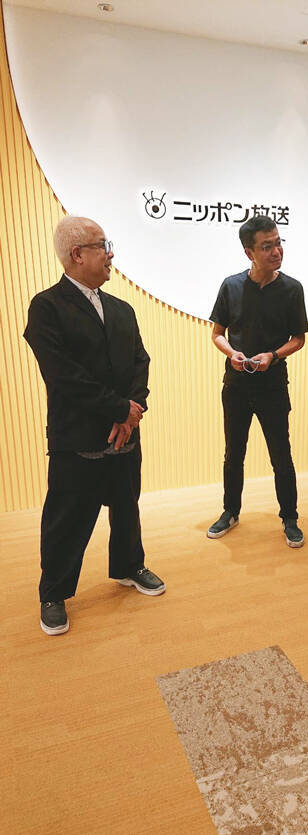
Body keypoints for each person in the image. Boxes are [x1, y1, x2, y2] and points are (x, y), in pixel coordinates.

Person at [24, 216, 165, 636]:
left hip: (125, 431)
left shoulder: (122, 309)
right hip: (76, 435)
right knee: (66, 518)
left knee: (126, 504)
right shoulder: (46, 307)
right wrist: (119, 409)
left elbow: (140, 361)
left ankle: (129, 566)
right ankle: (53, 593)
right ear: (77, 254)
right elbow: (64, 376)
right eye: (103, 245)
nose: (110, 254)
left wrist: (133, 408)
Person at [208, 215, 308, 546]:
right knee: (233, 453)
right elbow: (217, 333)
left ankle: (290, 518)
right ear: (249, 252)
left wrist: (273, 356)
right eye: (267, 246)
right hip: (236, 386)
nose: (276, 251)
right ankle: (230, 511)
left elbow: (298, 339)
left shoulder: (292, 289)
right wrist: (231, 353)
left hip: (273, 385)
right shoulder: (231, 286)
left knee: (281, 454)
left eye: (278, 243)